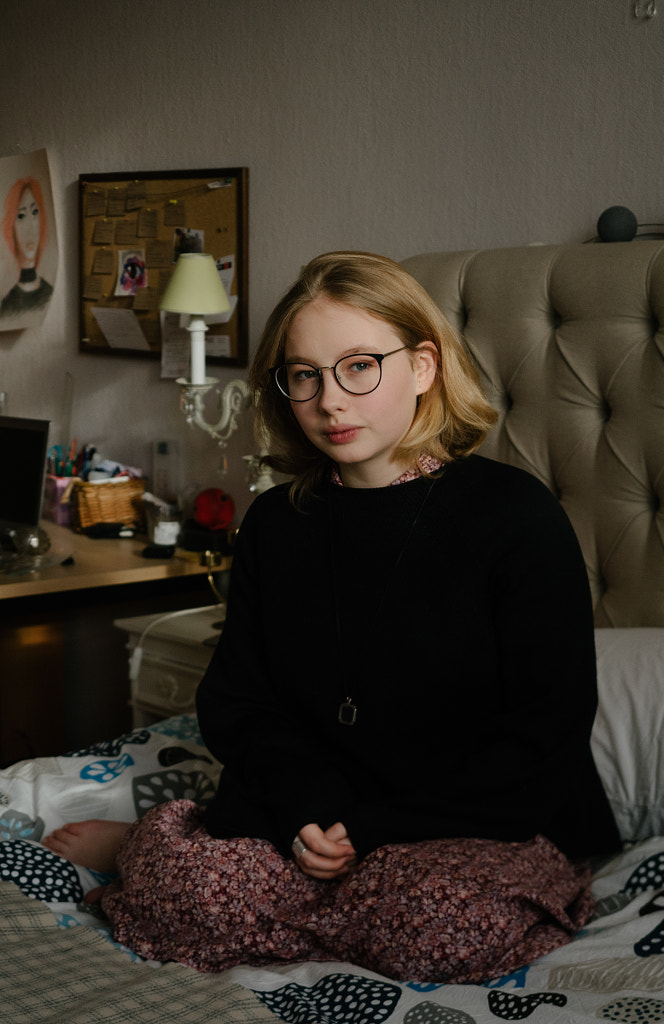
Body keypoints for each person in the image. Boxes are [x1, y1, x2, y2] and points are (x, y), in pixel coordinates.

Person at [43, 251, 620, 983]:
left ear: (422, 367)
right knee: (180, 883)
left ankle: (245, 888)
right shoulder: (276, 525)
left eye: (358, 367)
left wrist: (373, 829)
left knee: (438, 924)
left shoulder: (517, 518)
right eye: (305, 375)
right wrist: (307, 807)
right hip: (312, 815)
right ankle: (177, 861)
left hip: (475, 821)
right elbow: (237, 701)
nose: (329, 401)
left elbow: (542, 740)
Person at [0, 177, 53, 318]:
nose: (30, 227)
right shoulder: (8, 307)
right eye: (21, 216)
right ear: (11, 227)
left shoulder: (51, 294)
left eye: (35, 213)